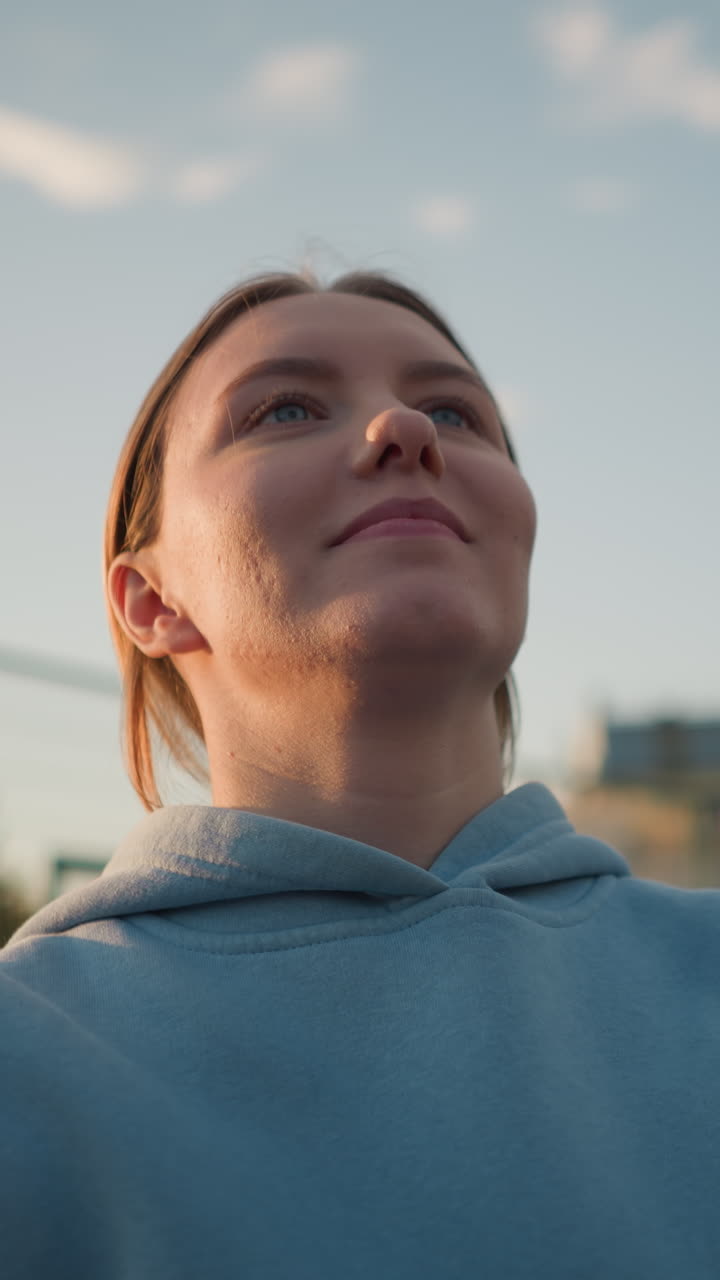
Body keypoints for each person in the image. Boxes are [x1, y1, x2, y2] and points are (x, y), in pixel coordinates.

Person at [2, 268, 719, 1280]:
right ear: (149, 598)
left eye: (454, 412)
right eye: (285, 406)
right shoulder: (29, 1052)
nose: (403, 428)